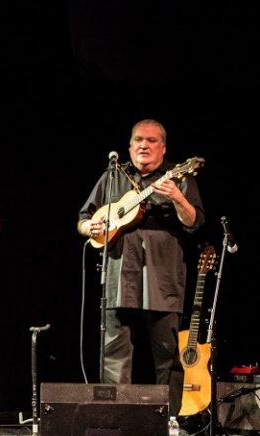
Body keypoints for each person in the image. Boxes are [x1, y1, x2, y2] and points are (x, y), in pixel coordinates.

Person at [78, 119, 204, 417]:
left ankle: (170, 421)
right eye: (138, 140)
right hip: (118, 276)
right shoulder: (113, 175)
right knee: (114, 354)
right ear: (130, 145)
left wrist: (177, 197)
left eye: (151, 140)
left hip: (162, 278)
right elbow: (84, 219)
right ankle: (113, 419)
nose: (144, 145)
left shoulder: (179, 177)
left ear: (163, 147)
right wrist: (89, 226)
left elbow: (194, 222)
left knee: (168, 355)